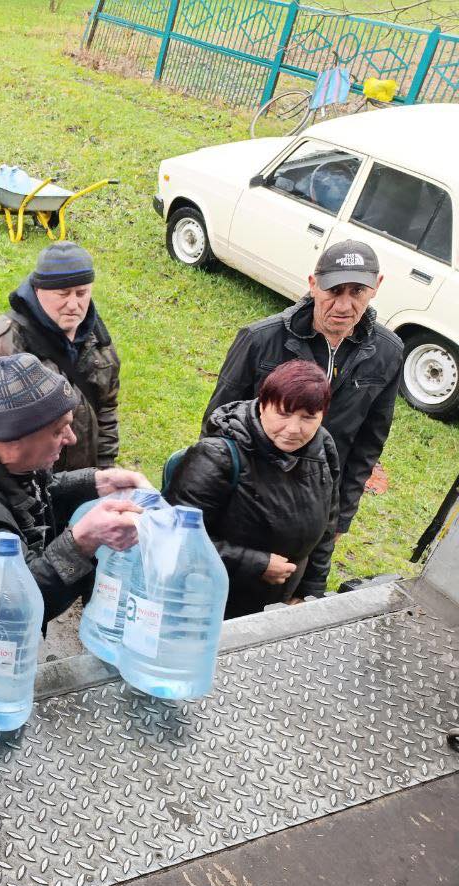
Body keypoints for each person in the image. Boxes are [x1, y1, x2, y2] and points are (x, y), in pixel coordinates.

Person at [203, 240, 403, 596]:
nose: (344, 305)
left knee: (286, 598)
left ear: (377, 287)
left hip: (315, 502)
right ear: (312, 284)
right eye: (333, 291)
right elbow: (216, 423)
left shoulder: (388, 352)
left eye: (357, 291)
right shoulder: (260, 339)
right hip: (249, 498)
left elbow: (369, 443)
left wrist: (342, 513)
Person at [0, 354, 150, 622]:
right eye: (58, 431)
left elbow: (33, 492)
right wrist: (82, 542)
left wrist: (96, 482)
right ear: (14, 438)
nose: (71, 439)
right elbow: (15, 606)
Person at [169, 361, 339, 617]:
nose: (293, 429)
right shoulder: (216, 456)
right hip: (207, 605)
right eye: (283, 413)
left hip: (278, 605)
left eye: (308, 418)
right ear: (262, 405)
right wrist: (256, 564)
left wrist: (309, 592)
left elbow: (326, 527)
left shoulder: (322, 447)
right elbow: (175, 537)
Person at [0, 242, 120, 472]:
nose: (74, 305)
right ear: (37, 290)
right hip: (25, 491)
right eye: (63, 294)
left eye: (82, 293)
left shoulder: (99, 340)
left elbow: (106, 409)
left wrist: (103, 469)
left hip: (83, 481)